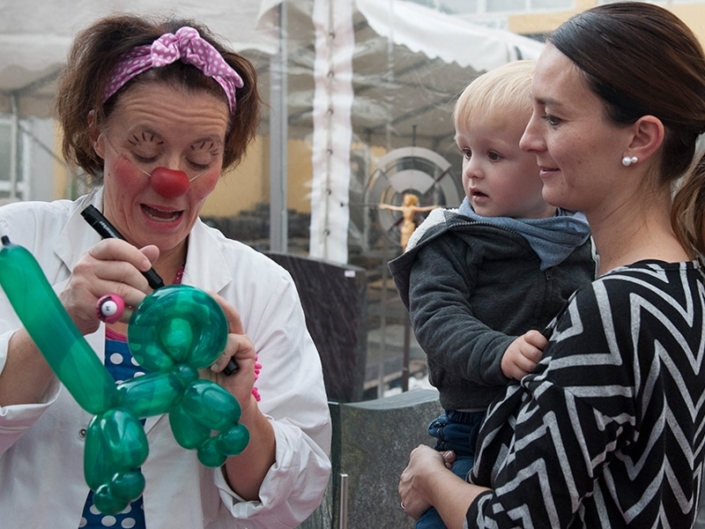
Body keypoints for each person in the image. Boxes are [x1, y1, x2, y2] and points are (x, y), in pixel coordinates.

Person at [0, 14, 331, 529]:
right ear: (97, 132)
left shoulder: (262, 287)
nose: (173, 179)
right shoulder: (16, 241)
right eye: (146, 148)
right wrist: (55, 322)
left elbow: (293, 498)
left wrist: (239, 408)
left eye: (202, 157)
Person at [398, 3, 705, 528]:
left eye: (554, 118)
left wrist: (431, 477)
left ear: (640, 138)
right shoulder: (685, 286)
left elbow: (514, 522)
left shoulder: (615, 308)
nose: (527, 139)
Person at [389, 59, 595, 528]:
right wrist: (499, 352)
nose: (473, 171)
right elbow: (437, 318)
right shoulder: (451, 239)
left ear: (545, 158)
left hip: (546, 426)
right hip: (474, 428)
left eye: (494, 156)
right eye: (466, 152)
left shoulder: (577, 237)